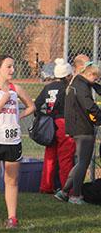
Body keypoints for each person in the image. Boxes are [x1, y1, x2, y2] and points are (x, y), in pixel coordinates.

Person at [0, 55, 35, 228]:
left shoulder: (16, 88)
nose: (12, 70)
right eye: (8, 67)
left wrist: (18, 115)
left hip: (12, 140)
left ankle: (12, 217)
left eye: (13, 66)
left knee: (11, 180)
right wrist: (3, 102)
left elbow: (32, 106)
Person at [56, 61, 101, 204]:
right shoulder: (81, 86)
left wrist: (94, 85)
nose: (96, 81)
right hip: (82, 128)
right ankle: (75, 195)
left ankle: (63, 192)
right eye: (96, 78)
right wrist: (99, 116)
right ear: (89, 74)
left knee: (80, 162)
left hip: (76, 127)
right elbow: (89, 106)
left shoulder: (78, 83)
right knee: (83, 162)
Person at [34, 59, 75, 194]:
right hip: (64, 123)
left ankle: (46, 186)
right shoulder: (68, 88)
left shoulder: (48, 87)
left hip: (50, 123)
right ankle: (67, 189)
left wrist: (42, 116)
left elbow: (37, 105)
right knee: (65, 158)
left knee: (50, 156)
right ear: (68, 76)